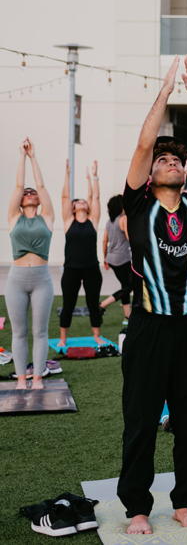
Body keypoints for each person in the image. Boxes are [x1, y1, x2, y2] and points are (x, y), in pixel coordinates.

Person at [118, 55, 187, 535]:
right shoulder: (137, 204)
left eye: (176, 159)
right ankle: (137, 507)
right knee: (140, 419)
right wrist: (164, 91)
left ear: (185, 173)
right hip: (149, 324)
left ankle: (183, 500)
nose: (169, 161)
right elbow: (142, 143)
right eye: (163, 159)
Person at [6, 138, 55, 390]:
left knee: (40, 332)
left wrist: (34, 156)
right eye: (26, 193)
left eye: (32, 192)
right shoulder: (14, 218)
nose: (29, 193)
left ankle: (37, 378)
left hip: (41, 280)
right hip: (16, 280)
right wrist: (22, 156)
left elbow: (42, 184)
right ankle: (21, 379)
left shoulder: (47, 217)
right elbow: (17, 184)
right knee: (19, 333)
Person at [57, 160, 103, 348]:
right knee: (68, 305)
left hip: (92, 269)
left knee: (93, 304)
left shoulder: (93, 221)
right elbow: (65, 197)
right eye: (79, 202)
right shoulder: (68, 221)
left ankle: (97, 336)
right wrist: (67, 175)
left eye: (85, 201)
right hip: (71, 270)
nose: (82, 202)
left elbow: (96, 198)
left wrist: (95, 177)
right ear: (74, 208)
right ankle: (62, 339)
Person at [100, 195, 133, 322]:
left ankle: (127, 316)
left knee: (125, 285)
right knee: (129, 286)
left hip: (111, 259)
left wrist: (105, 259)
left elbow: (104, 241)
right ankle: (102, 305)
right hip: (122, 259)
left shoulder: (109, 222)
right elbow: (130, 238)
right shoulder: (124, 219)